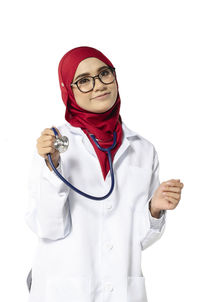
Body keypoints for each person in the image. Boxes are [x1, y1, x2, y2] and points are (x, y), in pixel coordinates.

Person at [25, 46, 184, 302]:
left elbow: (138, 241)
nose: (98, 85)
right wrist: (53, 168)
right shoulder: (52, 144)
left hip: (121, 289)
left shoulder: (143, 149)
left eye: (104, 74)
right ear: (68, 90)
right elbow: (47, 227)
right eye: (84, 81)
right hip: (64, 289)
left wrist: (154, 209)